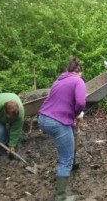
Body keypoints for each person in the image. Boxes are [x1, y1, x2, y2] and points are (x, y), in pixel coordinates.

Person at [38, 56, 86, 201]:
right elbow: (81, 102)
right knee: (66, 158)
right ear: (80, 72)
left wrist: (71, 118)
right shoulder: (78, 81)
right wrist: (78, 113)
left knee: (67, 143)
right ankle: (61, 196)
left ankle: (65, 169)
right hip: (57, 122)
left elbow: (60, 102)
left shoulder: (58, 81)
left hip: (42, 118)